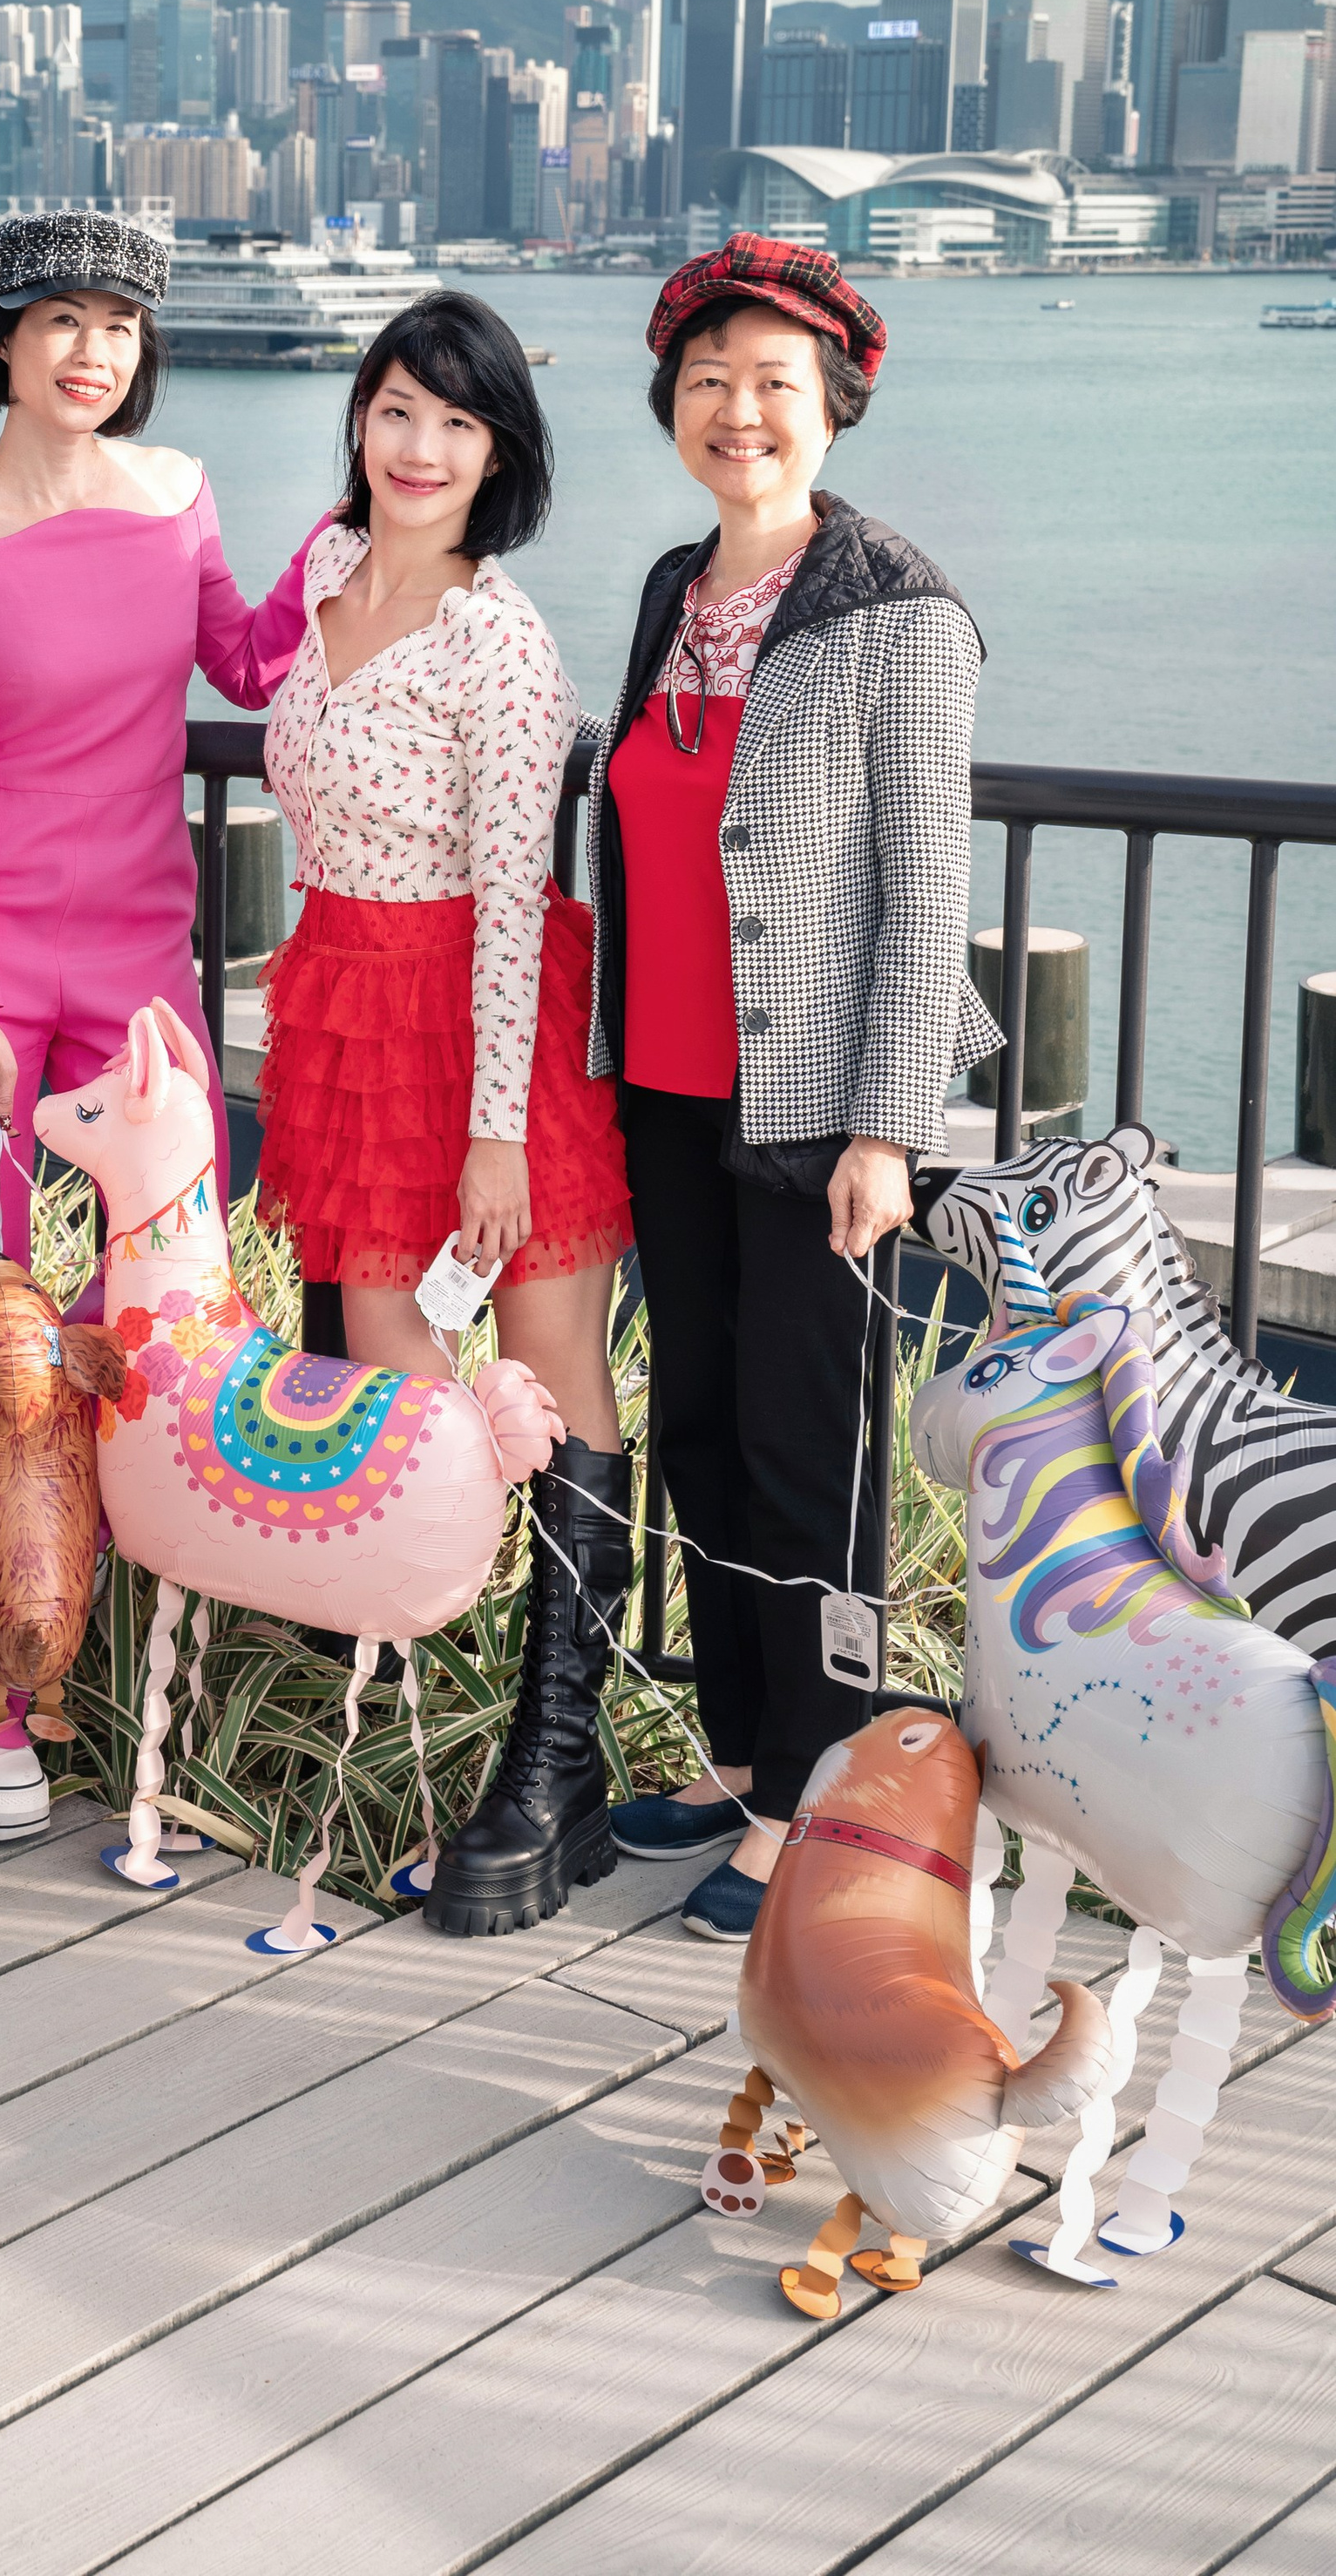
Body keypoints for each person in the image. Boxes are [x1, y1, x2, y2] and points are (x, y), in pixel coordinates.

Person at [0, 209, 319, 1845]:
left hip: (141, 950)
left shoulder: (179, 491)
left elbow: (252, 660)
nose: (93, 351)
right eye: (60, 319)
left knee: (164, 1299)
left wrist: (374, 522)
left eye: (121, 323)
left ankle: (123, 1652)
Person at [583, 233, 1001, 1942]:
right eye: (705, 383)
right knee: (693, 1426)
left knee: (798, 1448)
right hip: (666, 1091)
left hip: (818, 1111)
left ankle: (816, 1789)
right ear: (669, 408)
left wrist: (888, 1132)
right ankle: (742, 1748)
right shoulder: (671, 588)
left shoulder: (894, 612)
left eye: (771, 384)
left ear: (831, 402)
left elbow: (927, 891)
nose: (735, 412)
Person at [254, 289, 635, 1937]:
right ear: (361, 417)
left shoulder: (499, 636)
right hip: (344, 1011)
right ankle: (421, 1737)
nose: (419, 448)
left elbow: (508, 895)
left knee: (551, 1374)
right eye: (397, 409)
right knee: (397, 1395)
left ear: (501, 455)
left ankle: (557, 1761)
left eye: (457, 424)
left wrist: (496, 1127)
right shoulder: (323, 576)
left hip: (485, 1029)